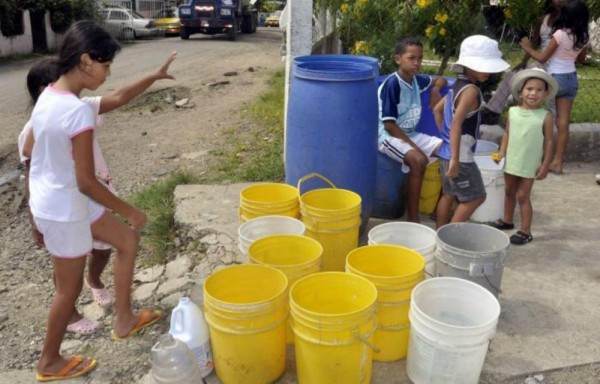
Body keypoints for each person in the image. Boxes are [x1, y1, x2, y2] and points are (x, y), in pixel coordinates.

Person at [28, 21, 161, 382]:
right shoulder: (75, 111)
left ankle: (124, 319)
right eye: (106, 66)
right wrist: (129, 209)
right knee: (67, 292)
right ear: (86, 61)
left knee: (127, 241)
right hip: (66, 208)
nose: (107, 73)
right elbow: (87, 181)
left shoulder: (49, 98)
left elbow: (41, 162)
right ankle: (49, 361)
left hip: (59, 198)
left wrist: (33, 213)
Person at [19, 51, 177, 336]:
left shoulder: (75, 106)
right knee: (69, 280)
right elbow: (35, 171)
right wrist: (35, 220)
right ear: (46, 88)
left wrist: (154, 75)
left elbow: (118, 97)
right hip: (67, 204)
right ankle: (63, 331)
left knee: (119, 244)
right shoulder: (48, 116)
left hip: (85, 198)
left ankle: (117, 310)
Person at [433, 35, 510, 227]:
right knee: (476, 197)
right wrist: (455, 158)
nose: (488, 72)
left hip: (446, 152)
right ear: (468, 65)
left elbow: (437, 110)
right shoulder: (471, 91)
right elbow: (457, 123)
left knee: (449, 195)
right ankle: (449, 237)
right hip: (461, 157)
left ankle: (440, 233)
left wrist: (446, 138)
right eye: (483, 66)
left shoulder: (455, 87)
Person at [378, 37, 446, 223]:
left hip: (409, 133)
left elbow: (440, 79)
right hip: (387, 136)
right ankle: (413, 218)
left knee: (449, 152)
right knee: (418, 160)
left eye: (420, 58)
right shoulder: (393, 84)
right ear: (398, 59)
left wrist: (435, 90)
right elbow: (389, 125)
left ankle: (440, 208)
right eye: (411, 58)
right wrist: (415, 147)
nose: (416, 63)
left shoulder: (417, 80)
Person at [520, 0, 589, 174]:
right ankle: (557, 162)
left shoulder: (559, 34)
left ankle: (543, 159)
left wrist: (528, 48)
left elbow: (542, 58)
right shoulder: (584, 36)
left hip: (554, 80)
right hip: (571, 79)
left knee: (546, 120)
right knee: (563, 123)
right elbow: (581, 60)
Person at [490, 69, 557, 245]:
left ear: (546, 94)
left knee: (522, 196)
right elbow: (507, 134)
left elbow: (549, 142)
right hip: (512, 160)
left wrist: (545, 165)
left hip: (529, 164)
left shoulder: (545, 116)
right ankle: (507, 220)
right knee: (509, 191)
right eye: (529, 89)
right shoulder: (512, 112)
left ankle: (526, 231)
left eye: (538, 90)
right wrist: (502, 152)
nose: (533, 93)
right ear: (521, 92)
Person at [484, 0, 573, 121]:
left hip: (557, 66)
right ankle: (493, 111)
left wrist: (527, 48)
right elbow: (535, 42)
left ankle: (546, 122)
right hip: (541, 62)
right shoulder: (544, 19)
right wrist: (524, 62)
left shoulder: (569, 21)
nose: (559, 1)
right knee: (513, 75)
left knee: (552, 98)